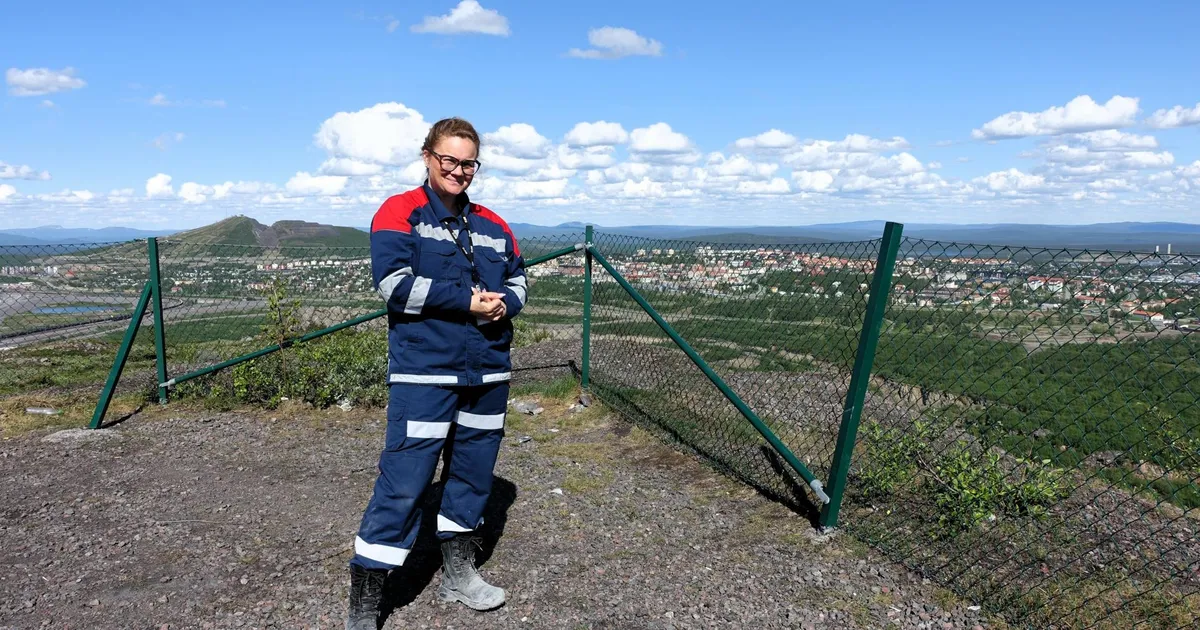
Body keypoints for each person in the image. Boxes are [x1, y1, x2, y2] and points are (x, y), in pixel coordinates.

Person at [346, 117, 527, 629]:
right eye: (449, 160)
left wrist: (504, 305)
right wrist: (467, 301)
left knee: (471, 477)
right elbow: (395, 285)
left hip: (488, 374)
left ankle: (458, 572)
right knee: (404, 483)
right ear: (428, 156)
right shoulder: (398, 212)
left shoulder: (494, 223)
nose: (459, 171)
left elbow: (520, 277)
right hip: (425, 375)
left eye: (469, 162)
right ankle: (367, 601)